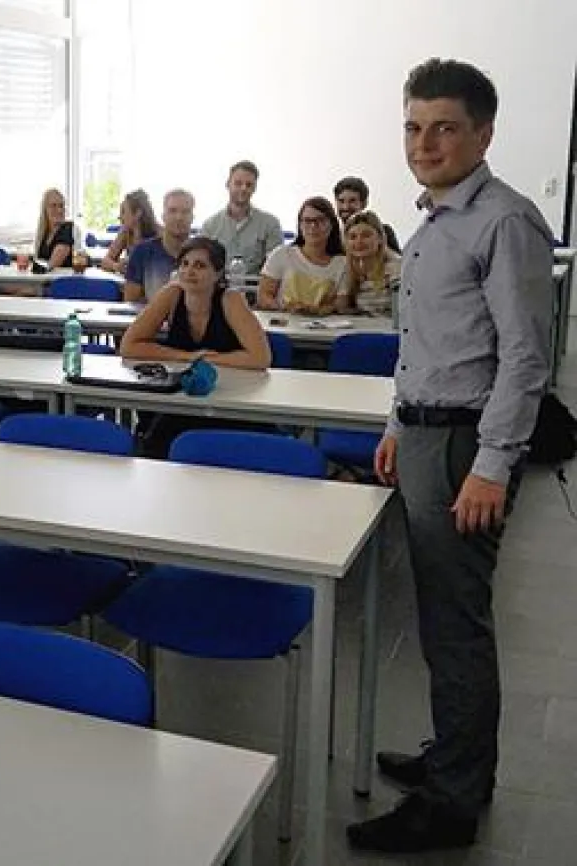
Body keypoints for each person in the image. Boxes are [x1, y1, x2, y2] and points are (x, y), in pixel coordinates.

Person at [346, 59, 552, 855]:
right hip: (428, 430)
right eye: (413, 126)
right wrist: (400, 422)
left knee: (457, 624)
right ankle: (454, 758)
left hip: (469, 441)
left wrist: (492, 465)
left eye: (444, 128)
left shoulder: (504, 221)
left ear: (484, 134)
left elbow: (525, 358)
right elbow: (429, 345)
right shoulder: (438, 220)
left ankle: (455, 801)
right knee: (439, 614)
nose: (424, 143)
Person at [121, 236, 271, 458]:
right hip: (180, 395)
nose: (190, 272)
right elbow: (129, 346)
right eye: (185, 264)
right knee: (158, 436)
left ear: (218, 274)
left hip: (231, 396)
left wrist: (207, 359)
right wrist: (187, 356)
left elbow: (260, 358)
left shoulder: (231, 300)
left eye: (200, 266)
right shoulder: (171, 294)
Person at [257, 196, 346, 314]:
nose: (313, 226)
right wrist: (284, 308)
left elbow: (341, 303)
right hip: (284, 324)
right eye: (307, 221)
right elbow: (264, 295)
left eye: (320, 220)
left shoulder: (342, 263)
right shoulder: (282, 254)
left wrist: (319, 311)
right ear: (300, 225)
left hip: (325, 328)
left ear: (332, 225)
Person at [199, 160, 285, 275]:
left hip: (257, 290)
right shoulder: (210, 226)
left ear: (254, 188)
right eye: (238, 183)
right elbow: (202, 265)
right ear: (227, 184)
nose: (244, 188)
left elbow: (277, 268)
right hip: (219, 289)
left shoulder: (270, 224)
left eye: (249, 185)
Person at [122, 189, 195, 302]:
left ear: (192, 217)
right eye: (172, 211)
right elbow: (130, 303)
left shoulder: (202, 256)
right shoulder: (142, 252)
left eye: (185, 212)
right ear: (163, 216)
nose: (179, 217)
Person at [336, 210, 402, 317]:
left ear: (380, 238)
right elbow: (341, 306)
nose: (359, 242)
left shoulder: (396, 267)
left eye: (366, 235)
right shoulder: (350, 268)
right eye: (353, 237)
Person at [334, 176, 402, 253]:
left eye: (352, 201)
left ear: (364, 204)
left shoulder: (384, 231)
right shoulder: (332, 239)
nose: (346, 207)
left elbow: (399, 262)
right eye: (341, 201)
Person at [100, 189, 160, 274]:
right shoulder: (125, 231)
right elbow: (105, 261)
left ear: (138, 213)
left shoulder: (160, 235)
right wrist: (116, 266)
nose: (120, 217)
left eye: (123, 212)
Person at [35, 188, 75, 269]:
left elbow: (52, 265)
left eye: (61, 206)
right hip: (48, 279)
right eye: (53, 206)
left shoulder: (68, 228)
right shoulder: (45, 233)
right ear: (45, 209)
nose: (59, 210)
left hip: (67, 280)